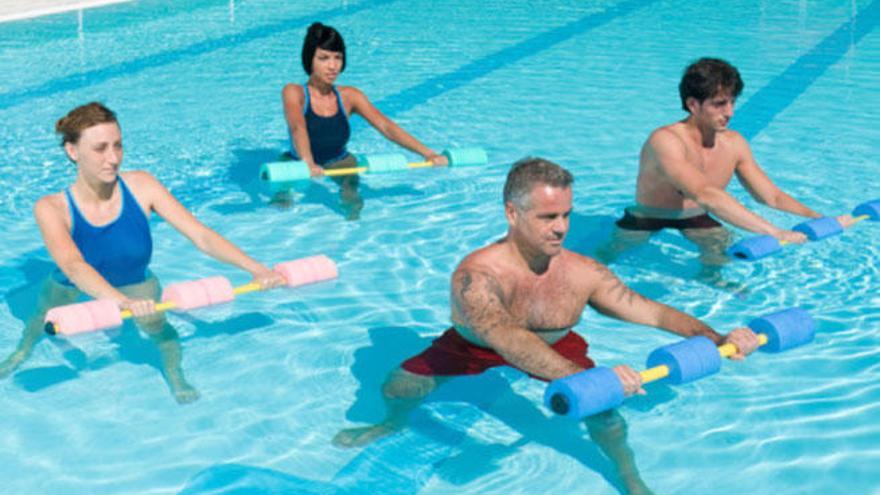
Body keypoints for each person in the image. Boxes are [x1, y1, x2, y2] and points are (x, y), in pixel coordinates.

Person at [333, 158, 760, 495]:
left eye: (566, 215)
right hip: (474, 347)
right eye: (547, 216)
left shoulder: (582, 271)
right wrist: (591, 378)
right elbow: (507, 340)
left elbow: (649, 311)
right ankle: (391, 423)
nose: (561, 228)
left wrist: (716, 337)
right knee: (398, 387)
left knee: (605, 412)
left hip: (558, 344)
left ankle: (629, 479)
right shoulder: (477, 274)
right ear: (512, 213)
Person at [0, 102, 286, 403]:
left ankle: (176, 377)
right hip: (72, 286)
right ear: (73, 151)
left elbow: (200, 235)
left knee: (159, 329)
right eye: (100, 149)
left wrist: (257, 269)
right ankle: (20, 354)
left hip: (135, 283)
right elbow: (73, 265)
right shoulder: (51, 207)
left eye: (118, 146)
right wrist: (121, 302)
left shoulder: (142, 186)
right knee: (37, 322)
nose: (113, 159)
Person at [596, 58, 853, 284]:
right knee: (609, 256)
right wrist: (774, 232)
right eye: (719, 104)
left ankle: (709, 279)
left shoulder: (734, 143)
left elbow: (770, 196)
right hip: (649, 216)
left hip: (695, 216)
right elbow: (705, 193)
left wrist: (818, 217)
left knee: (720, 246)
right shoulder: (665, 141)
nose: (729, 112)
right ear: (693, 104)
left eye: (731, 102)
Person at [281, 22, 448, 219]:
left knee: (353, 205)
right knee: (281, 204)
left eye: (338, 58)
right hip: (297, 161)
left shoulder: (350, 96)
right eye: (324, 58)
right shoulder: (294, 92)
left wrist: (428, 153)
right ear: (310, 60)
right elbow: (297, 127)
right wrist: (308, 163)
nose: (333, 66)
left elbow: (386, 126)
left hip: (339, 161)